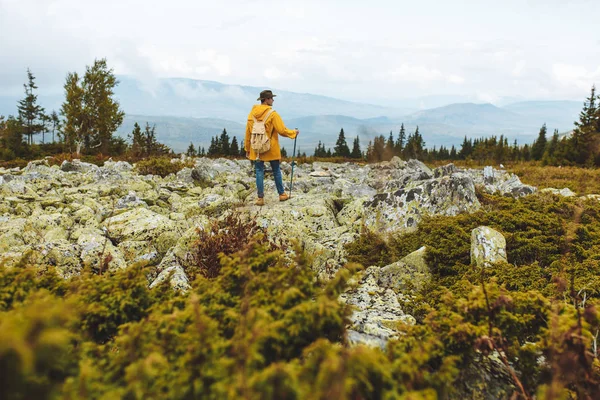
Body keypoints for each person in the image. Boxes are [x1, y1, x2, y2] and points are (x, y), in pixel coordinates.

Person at [245, 90, 299, 206]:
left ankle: (260, 198)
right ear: (267, 100)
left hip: (257, 148)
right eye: (271, 98)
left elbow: (248, 133)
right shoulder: (273, 114)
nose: (273, 100)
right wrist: (293, 133)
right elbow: (282, 130)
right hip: (271, 148)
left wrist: (247, 148)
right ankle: (282, 194)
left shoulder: (251, 114)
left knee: (259, 171)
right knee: (276, 170)